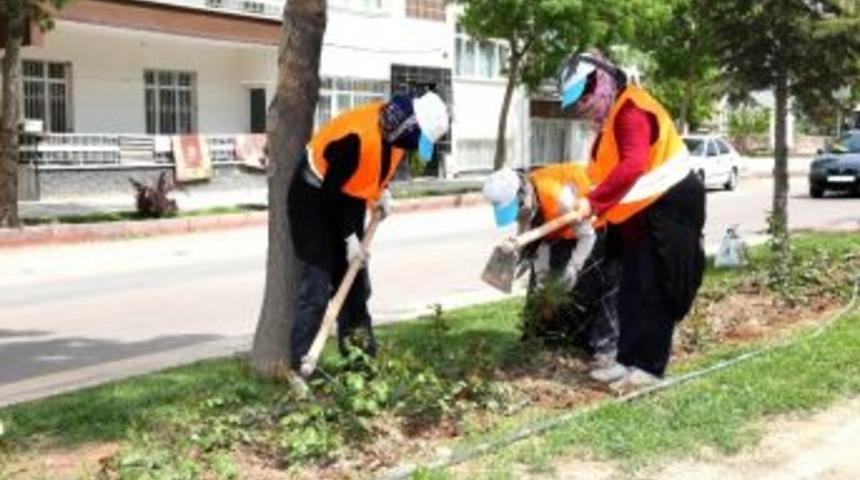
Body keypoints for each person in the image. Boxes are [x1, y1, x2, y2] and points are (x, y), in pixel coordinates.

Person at [558, 51, 706, 391]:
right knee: (631, 289)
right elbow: (607, 172)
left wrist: (594, 202)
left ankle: (649, 369)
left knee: (654, 290)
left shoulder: (631, 111)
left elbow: (632, 165)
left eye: (583, 96)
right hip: (641, 212)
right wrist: (587, 202)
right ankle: (627, 360)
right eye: (576, 101)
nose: (581, 106)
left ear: (602, 83)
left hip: (670, 207)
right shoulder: (610, 118)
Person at [288, 91, 449, 373]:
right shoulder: (355, 138)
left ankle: (360, 362)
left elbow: (371, 173)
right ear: (410, 126)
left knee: (354, 287)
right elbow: (330, 194)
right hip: (312, 197)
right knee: (316, 287)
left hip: (346, 199)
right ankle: (299, 365)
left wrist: (381, 193)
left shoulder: (396, 132)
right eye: (418, 139)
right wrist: (349, 238)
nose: (414, 147)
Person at [482, 165, 619, 360]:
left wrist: (574, 267)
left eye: (516, 207)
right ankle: (543, 339)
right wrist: (540, 276)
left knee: (585, 285)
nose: (518, 212)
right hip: (559, 229)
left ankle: (597, 345)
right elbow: (536, 237)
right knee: (543, 291)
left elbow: (587, 236)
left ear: (522, 195)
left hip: (594, 225)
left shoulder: (559, 198)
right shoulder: (529, 198)